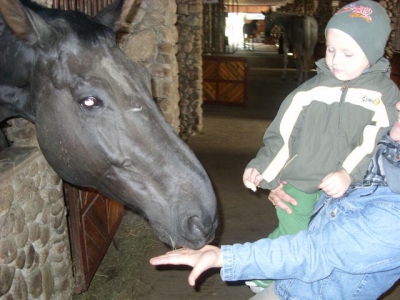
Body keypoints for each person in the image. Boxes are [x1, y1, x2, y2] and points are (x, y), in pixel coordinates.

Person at [150, 100, 400, 299]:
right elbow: (339, 193)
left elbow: (316, 252)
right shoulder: (383, 155)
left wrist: (223, 257)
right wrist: (296, 188)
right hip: (290, 284)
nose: (398, 105)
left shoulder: (394, 217)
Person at [242, 0, 399, 290]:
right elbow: (283, 133)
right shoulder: (309, 90)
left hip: (343, 188)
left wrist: (347, 173)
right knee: (296, 232)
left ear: (373, 52)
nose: (336, 60)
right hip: (299, 180)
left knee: (317, 235)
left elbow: (373, 141)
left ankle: (263, 266)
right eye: (330, 49)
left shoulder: (383, 95)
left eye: (348, 53)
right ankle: (265, 274)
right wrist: (262, 167)